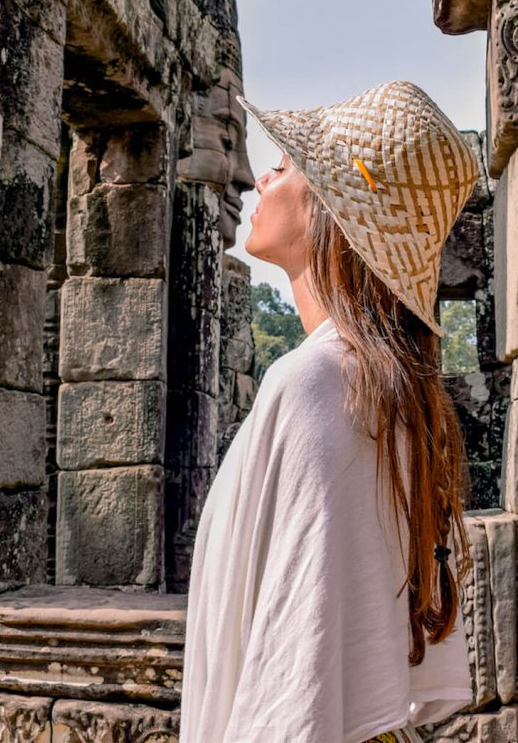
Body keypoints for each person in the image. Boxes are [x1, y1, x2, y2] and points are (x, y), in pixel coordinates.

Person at [178, 80, 479, 743]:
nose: (261, 178)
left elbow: (295, 672)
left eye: (284, 166)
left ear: (327, 209)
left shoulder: (315, 381)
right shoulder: (385, 387)